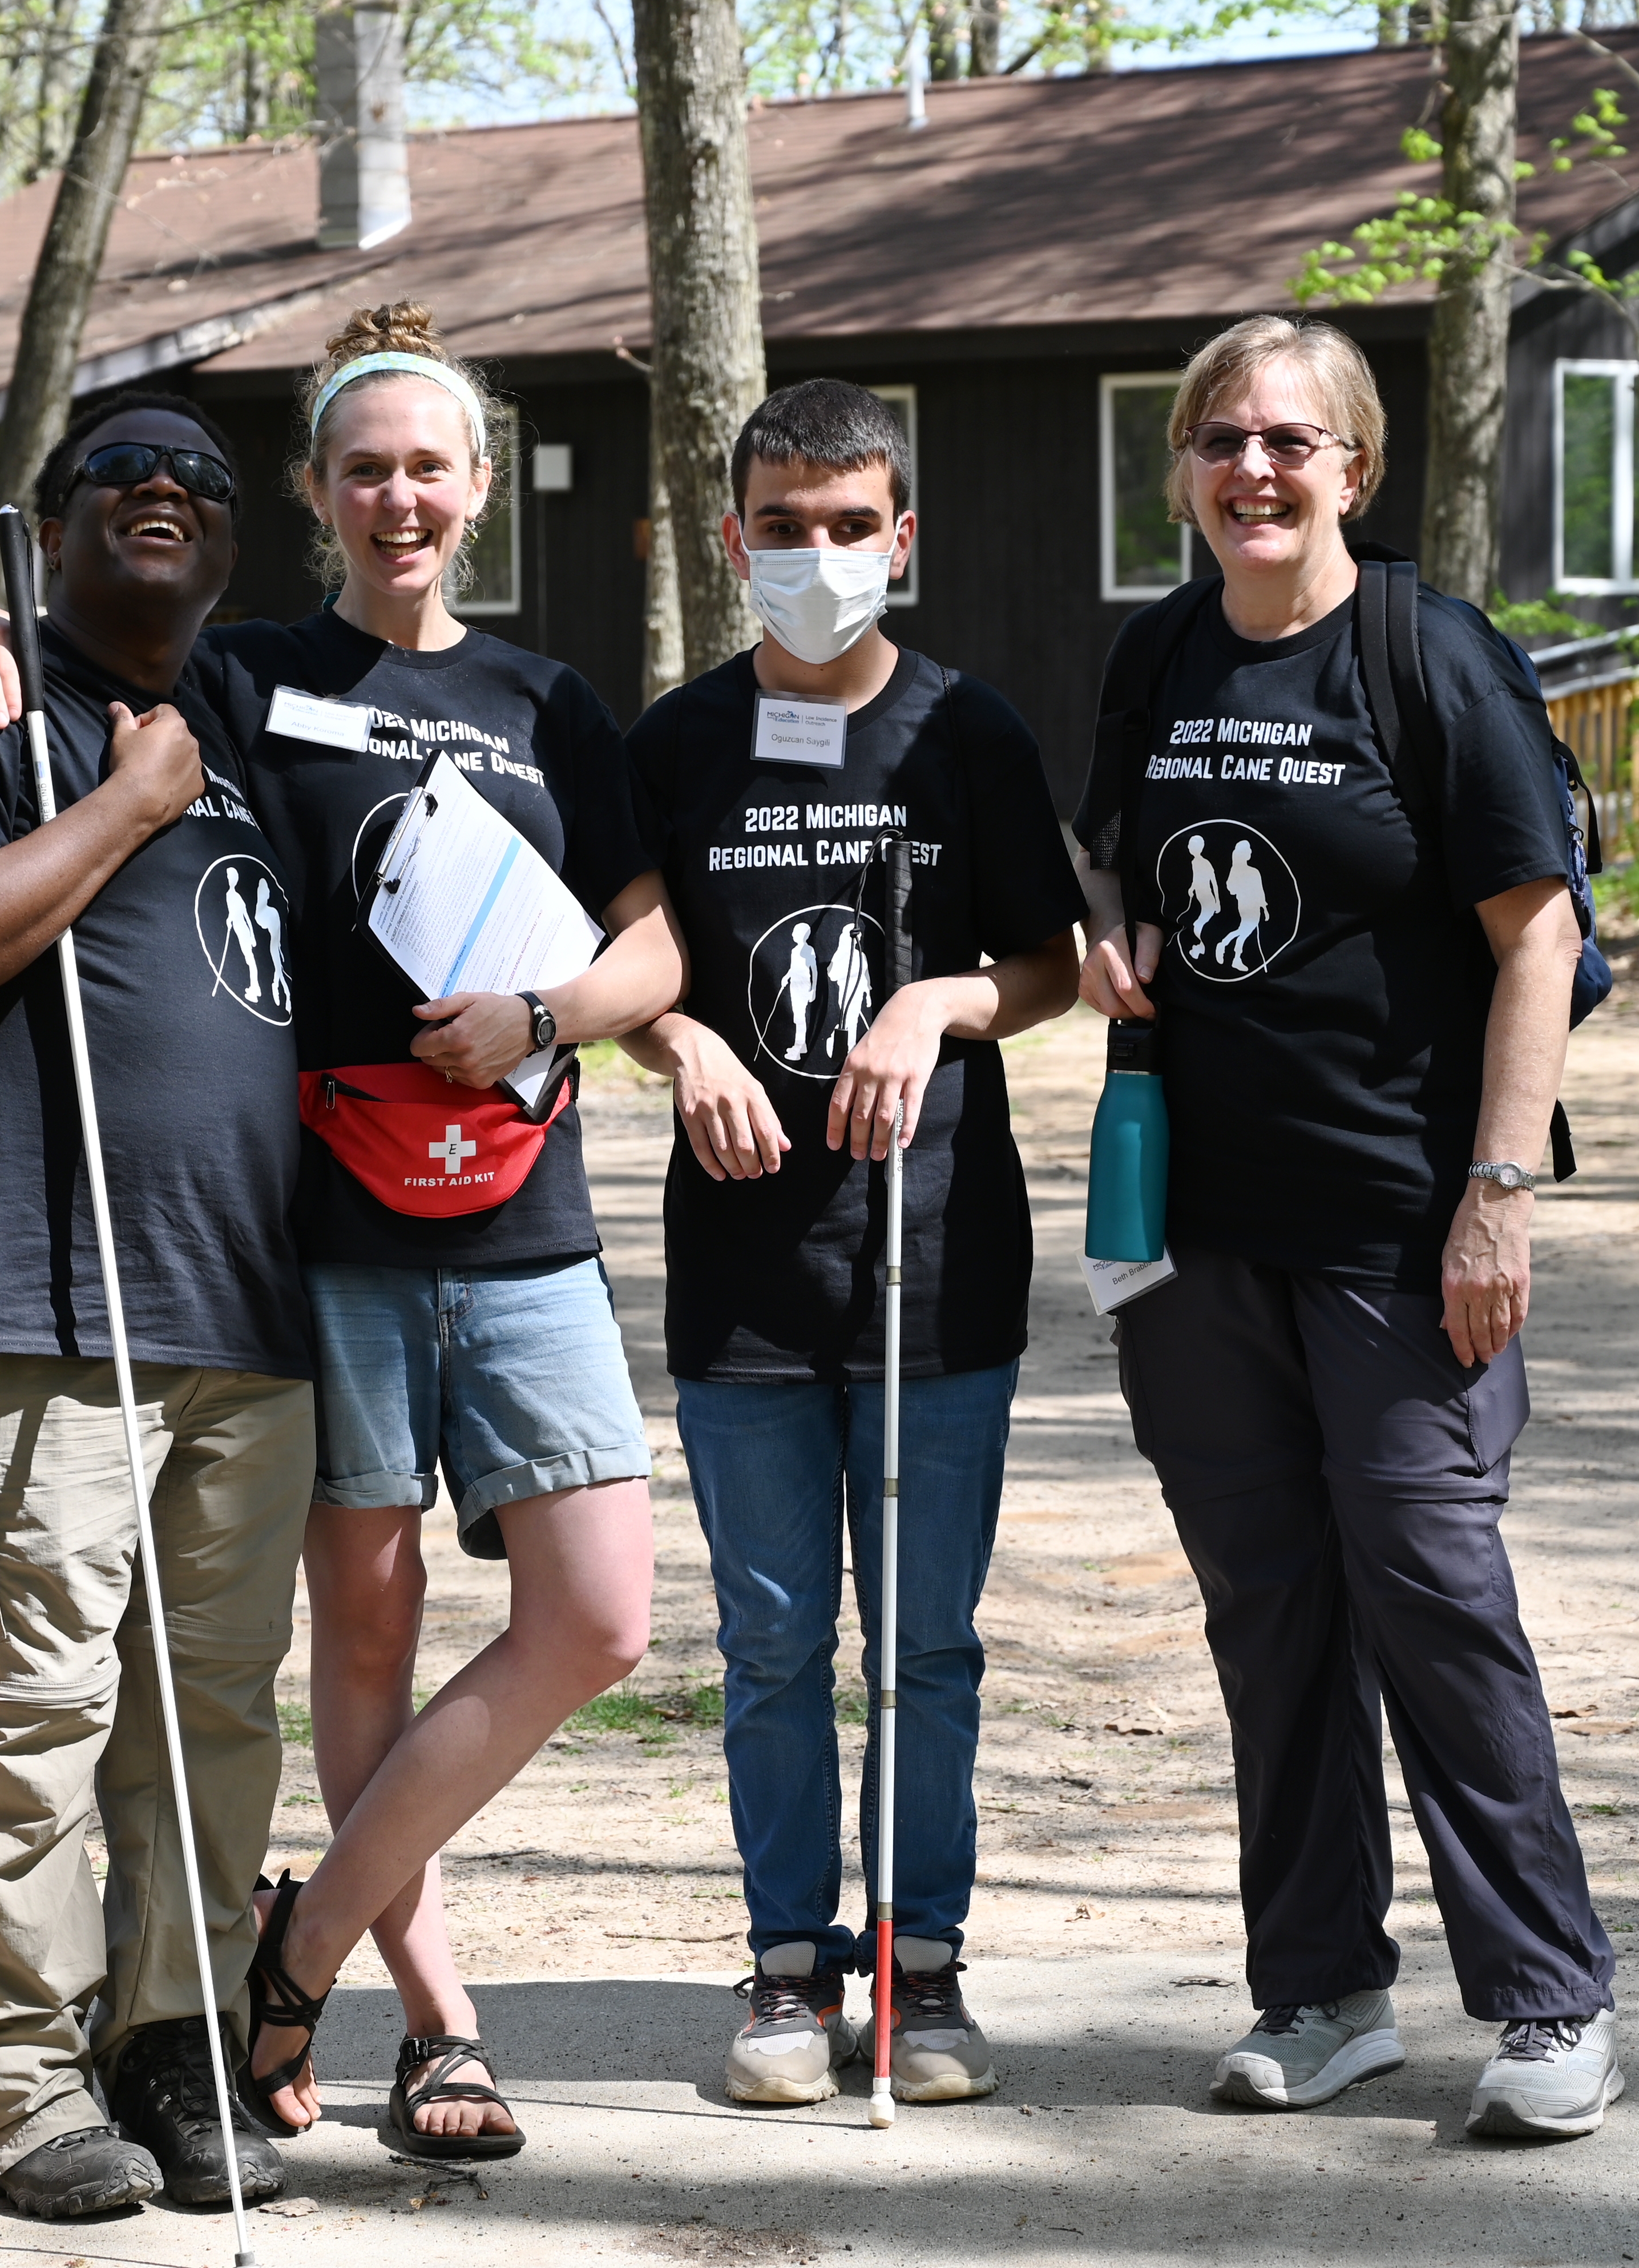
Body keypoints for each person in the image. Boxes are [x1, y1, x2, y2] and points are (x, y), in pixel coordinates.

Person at [1072, 313, 1622, 2138]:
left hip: (1404, 1227)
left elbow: (1536, 935)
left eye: (1293, 442)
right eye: (1222, 440)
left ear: (1355, 471)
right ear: (1184, 470)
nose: (1255, 470)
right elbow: (1125, 874)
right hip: (1199, 1240)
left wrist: (1500, 1192)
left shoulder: (1427, 655)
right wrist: (1112, 944)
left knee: (1436, 1597)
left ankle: (1549, 2000)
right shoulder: (1155, 659)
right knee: (1271, 1617)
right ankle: (1321, 1990)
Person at [184, 304, 679, 2161]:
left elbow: (651, 942)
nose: (400, 495)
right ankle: (439, 2023)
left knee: (601, 1617)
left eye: (430, 466)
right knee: (369, 1638)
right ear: (321, 493)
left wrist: (550, 1019)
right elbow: (93, 692)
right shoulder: (245, 676)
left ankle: (297, 1944)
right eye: (364, 467)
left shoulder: (550, 703)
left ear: (478, 491)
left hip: (527, 1221)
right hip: (331, 1226)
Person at [0, 391, 307, 2221]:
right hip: (37, 1307)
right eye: (129, 474)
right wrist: (118, 798)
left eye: (202, 481)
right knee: (19, 1728)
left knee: (209, 1725)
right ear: (54, 520)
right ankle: (15, 2087)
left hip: (242, 1319)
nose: (171, 495)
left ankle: (169, 2042)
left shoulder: (250, 717)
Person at [619, 380, 1085, 2110]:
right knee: (768, 1644)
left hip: (939, 1264)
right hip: (745, 1270)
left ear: (904, 537)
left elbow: (1045, 961)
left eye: (849, 526)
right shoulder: (672, 745)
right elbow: (630, 966)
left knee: (931, 1645)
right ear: (733, 536)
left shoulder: (972, 733)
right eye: (782, 527)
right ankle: (786, 1967)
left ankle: (925, 1965)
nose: (815, 557)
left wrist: (944, 1006)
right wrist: (684, 1048)